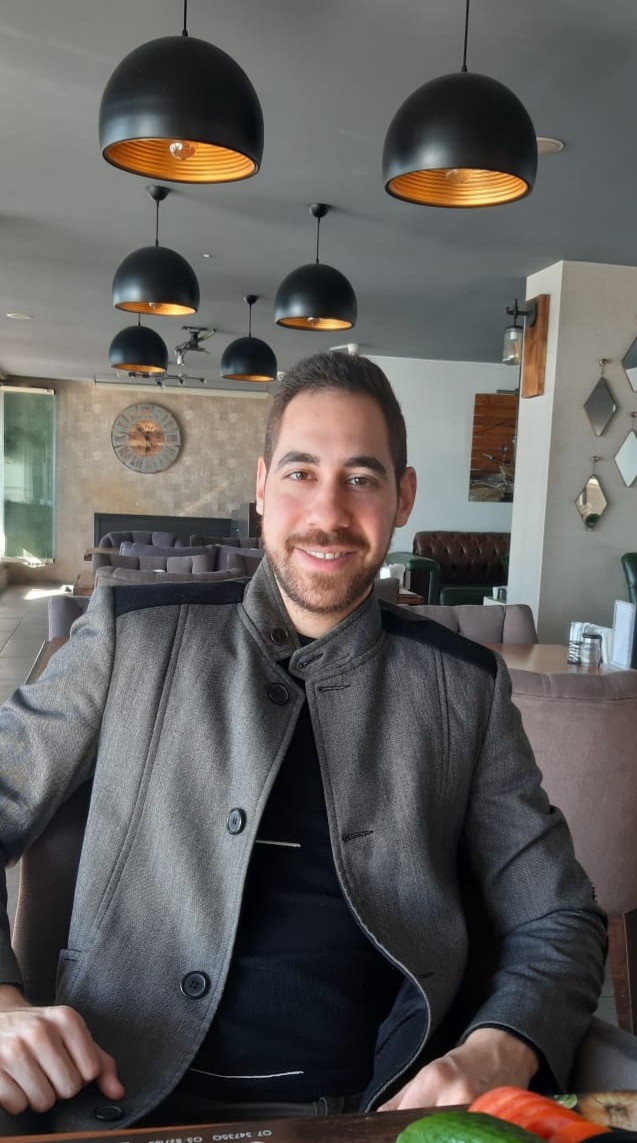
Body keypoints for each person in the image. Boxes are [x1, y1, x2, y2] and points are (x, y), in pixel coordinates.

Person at [0, 352, 605, 1134]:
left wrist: (500, 1047)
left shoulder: (463, 688)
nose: (328, 511)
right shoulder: (132, 636)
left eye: (360, 477)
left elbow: (558, 917)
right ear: (260, 486)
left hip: (368, 1115)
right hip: (120, 1103)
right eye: (299, 472)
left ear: (402, 496)